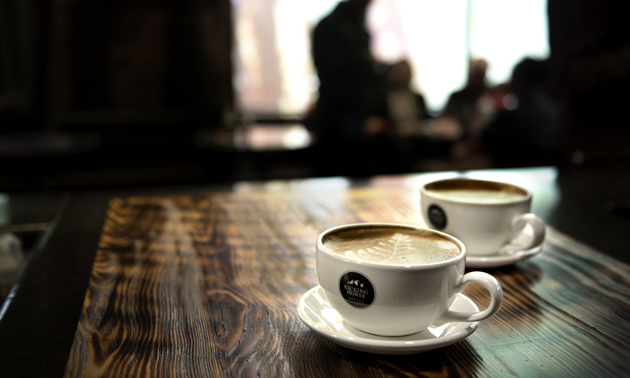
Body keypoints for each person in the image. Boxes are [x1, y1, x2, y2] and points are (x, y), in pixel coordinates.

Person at [310, 0, 386, 175]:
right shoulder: (332, 27)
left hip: (353, 119)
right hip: (338, 119)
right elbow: (333, 74)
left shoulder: (354, 26)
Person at [483, 58, 558, 167]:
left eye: (513, 77)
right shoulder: (554, 111)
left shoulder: (507, 119)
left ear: (520, 81)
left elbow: (485, 142)